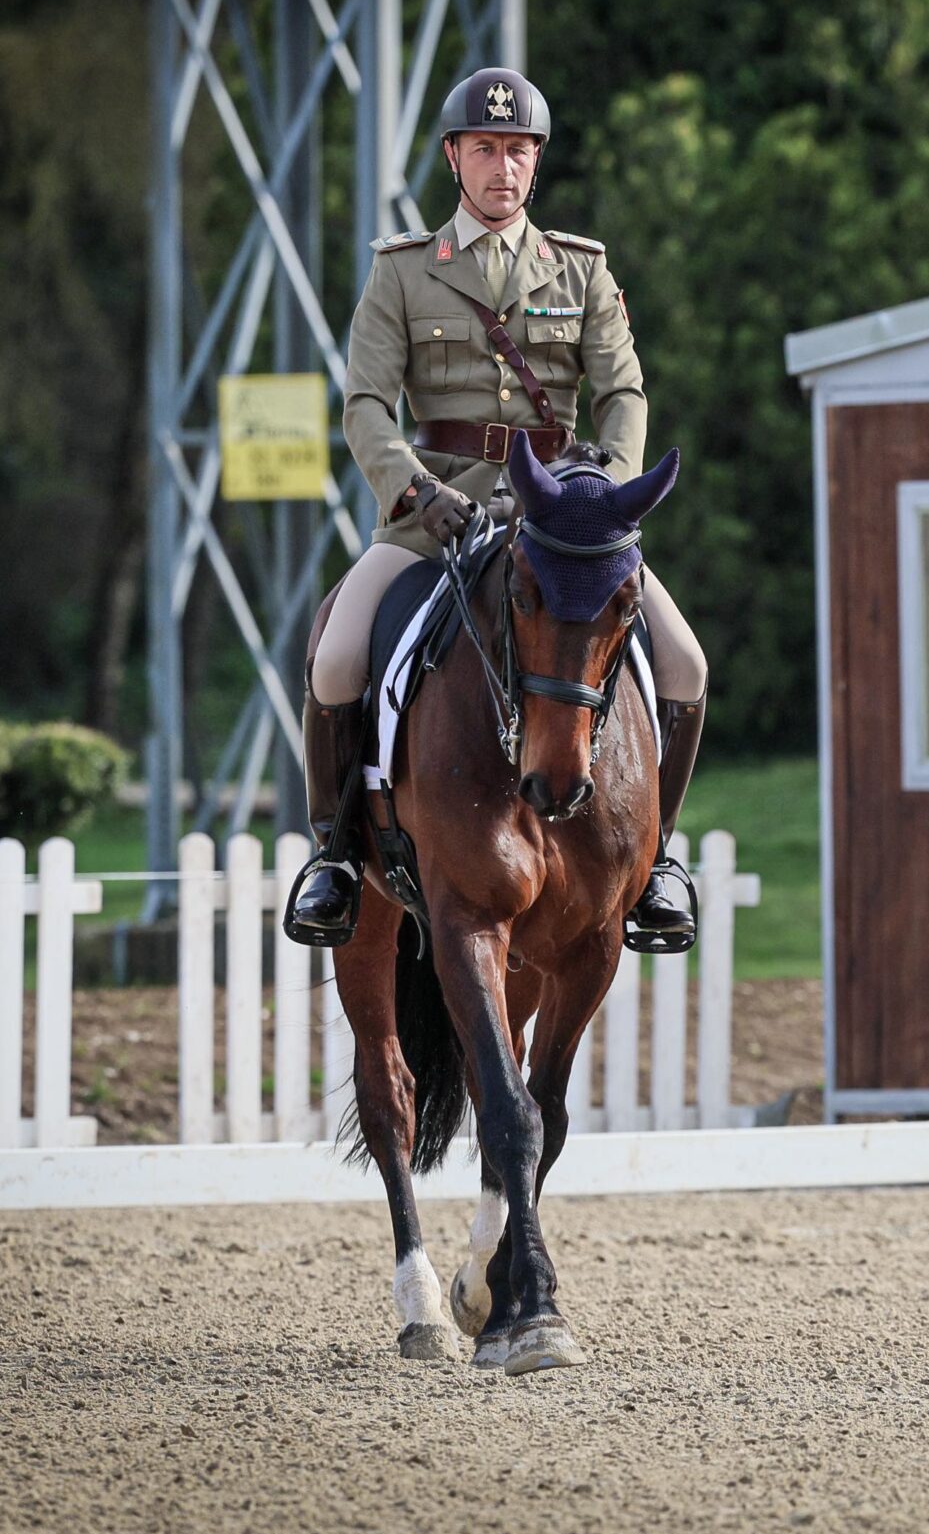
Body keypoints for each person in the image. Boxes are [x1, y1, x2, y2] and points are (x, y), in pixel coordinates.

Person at [283, 67, 709, 951]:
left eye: (518, 150)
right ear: (454, 158)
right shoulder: (403, 271)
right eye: (485, 148)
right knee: (336, 660)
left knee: (685, 666)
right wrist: (414, 490)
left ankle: (658, 861)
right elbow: (366, 404)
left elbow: (622, 391)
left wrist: (606, 497)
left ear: (536, 162)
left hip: (562, 525)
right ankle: (335, 854)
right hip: (432, 514)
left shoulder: (580, 269)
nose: (502, 167)